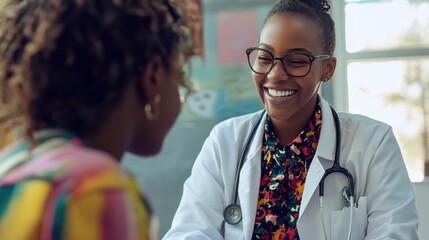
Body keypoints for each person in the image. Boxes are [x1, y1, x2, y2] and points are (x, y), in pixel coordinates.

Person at [163, 0, 419, 239]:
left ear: (327, 69)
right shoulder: (225, 141)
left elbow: (395, 232)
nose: (275, 75)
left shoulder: (373, 144)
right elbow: (189, 232)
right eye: (264, 57)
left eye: (296, 61)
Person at [0, 0, 201, 239]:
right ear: (152, 77)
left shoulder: (12, 164)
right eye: (179, 78)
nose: (181, 91)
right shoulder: (98, 188)